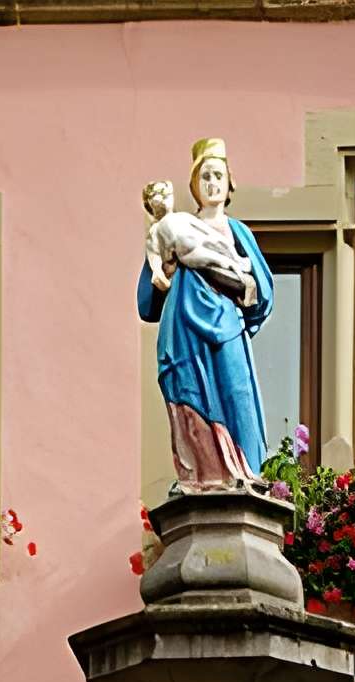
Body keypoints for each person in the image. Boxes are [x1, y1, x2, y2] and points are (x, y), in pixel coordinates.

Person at [137, 137, 274, 490]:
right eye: (205, 177)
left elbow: (262, 290)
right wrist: (165, 266)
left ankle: (249, 474)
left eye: (218, 175)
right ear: (195, 187)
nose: (212, 183)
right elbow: (147, 302)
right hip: (184, 330)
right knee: (190, 397)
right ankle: (203, 474)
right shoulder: (177, 228)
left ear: (230, 183)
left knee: (236, 393)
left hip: (226, 324)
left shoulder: (238, 232)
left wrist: (243, 286)